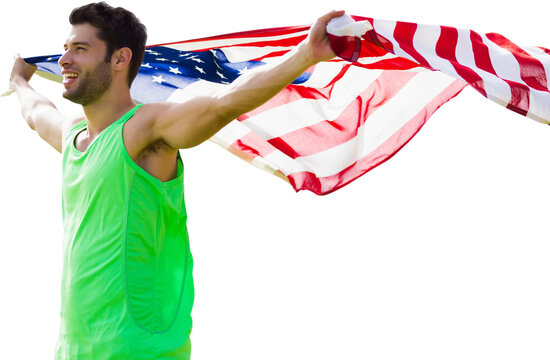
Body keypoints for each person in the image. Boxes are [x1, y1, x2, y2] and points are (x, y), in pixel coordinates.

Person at [9, 2, 344, 359]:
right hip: (71, 351)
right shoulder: (73, 139)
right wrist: (18, 81)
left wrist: (306, 54)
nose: (63, 60)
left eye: (80, 48)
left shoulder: (146, 128)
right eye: (64, 49)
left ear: (120, 59)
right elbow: (35, 112)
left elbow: (223, 104)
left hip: (141, 351)